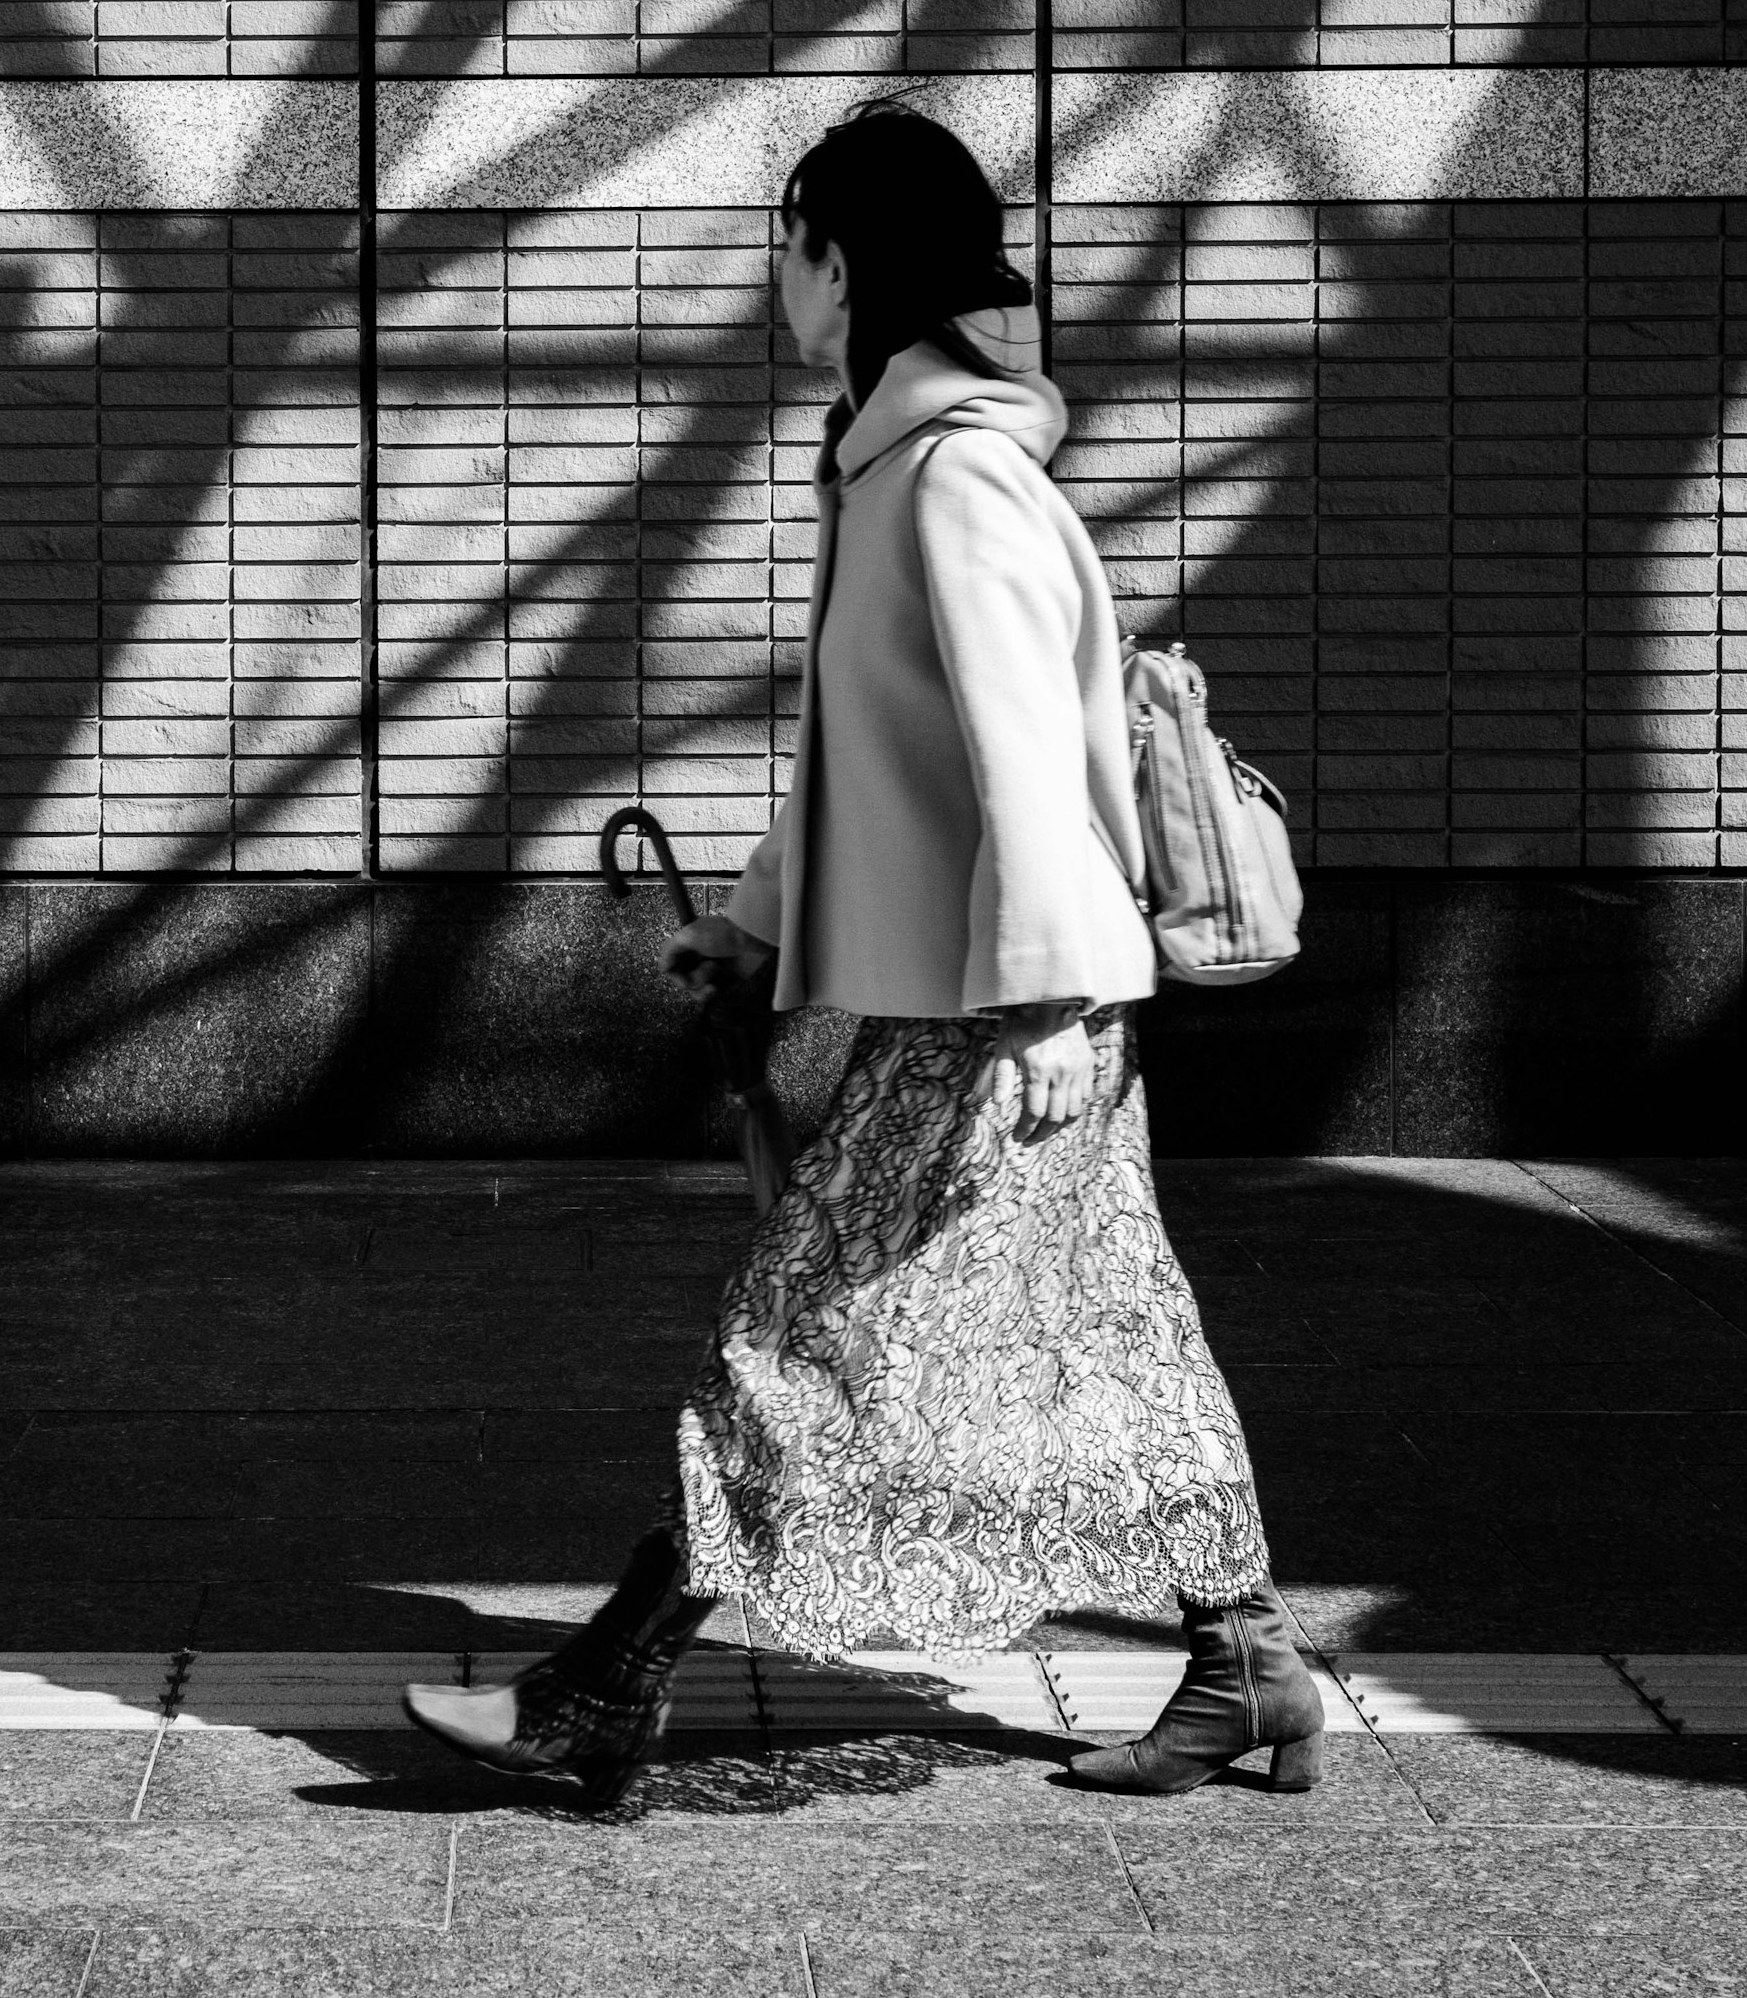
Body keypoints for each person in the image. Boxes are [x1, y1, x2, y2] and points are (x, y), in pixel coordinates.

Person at [399, 99, 1317, 1805]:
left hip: (1000, 1020)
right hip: (1011, 1007)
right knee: (1118, 1333)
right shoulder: (904, 460)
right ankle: (1250, 1661)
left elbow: (1021, 756)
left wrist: (1047, 989)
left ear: (846, 261)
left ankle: (601, 1693)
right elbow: (876, 753)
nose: (776, 272)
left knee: (791, 1337)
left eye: (791, 237)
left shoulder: (951, 477)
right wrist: (756, 925)